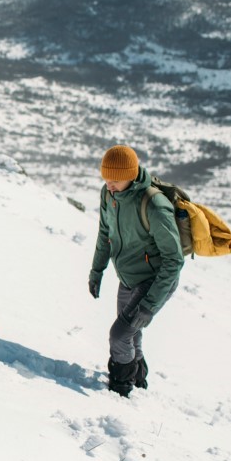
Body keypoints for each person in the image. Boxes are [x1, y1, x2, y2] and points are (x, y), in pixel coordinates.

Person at [88, 145, 184, 397]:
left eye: (115, 180)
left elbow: (173, 261)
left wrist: (150, 304)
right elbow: (104, 235)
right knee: (132, 334)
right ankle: (139, 382)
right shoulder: (109, 195)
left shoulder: (154, 205)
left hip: (154, 281)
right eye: (105, 179)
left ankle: (121, 387)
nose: (109, 185)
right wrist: (96, 271)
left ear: (131, 175)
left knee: (119, 335)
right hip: (128, 277)